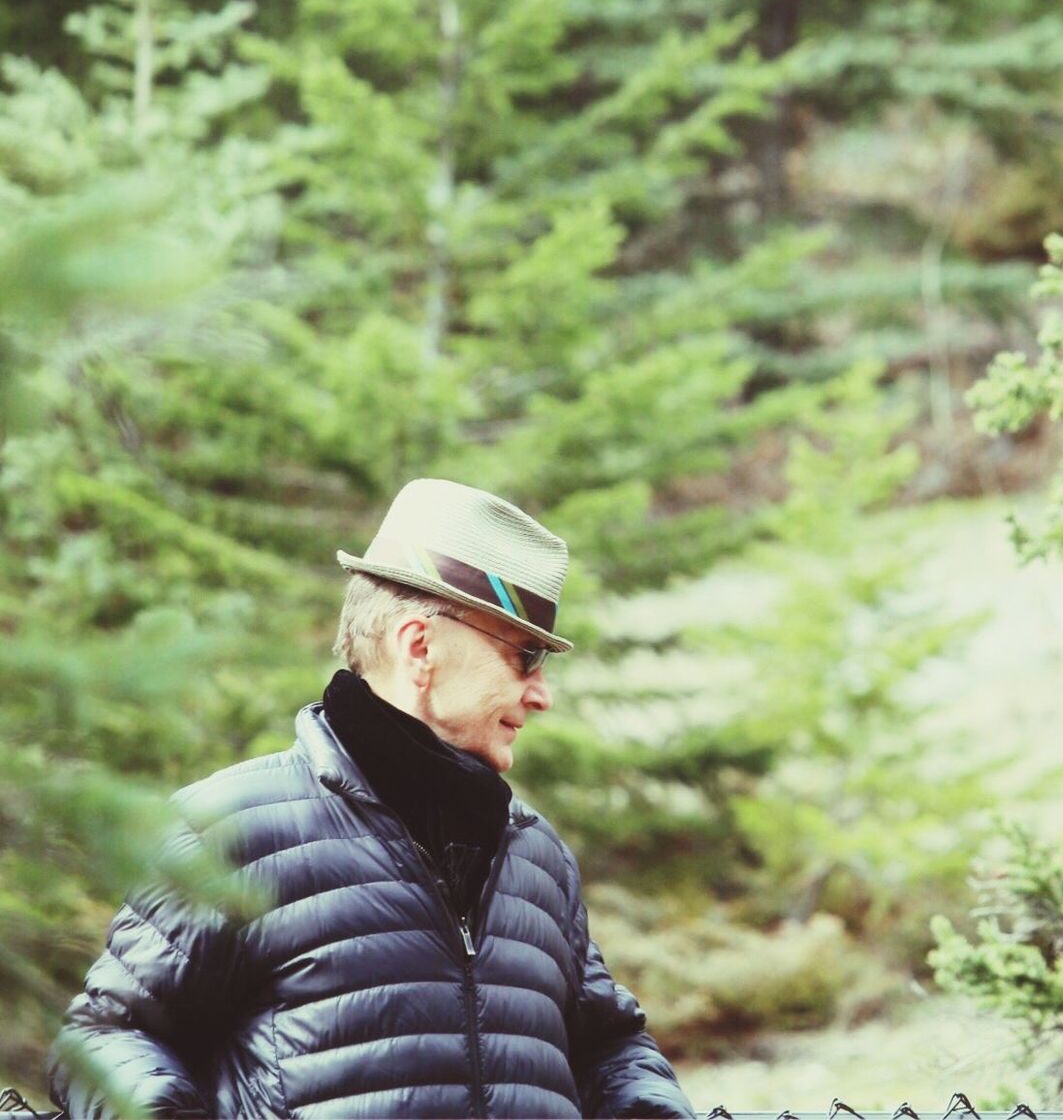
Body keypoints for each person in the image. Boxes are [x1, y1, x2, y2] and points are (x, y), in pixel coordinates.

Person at [48, 479, 696, 1119]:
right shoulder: (229, 831)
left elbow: (611, 1047)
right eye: (525, 657)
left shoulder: (538, 855)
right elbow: (105, 1043)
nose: (541, 694)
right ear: (420, 648)